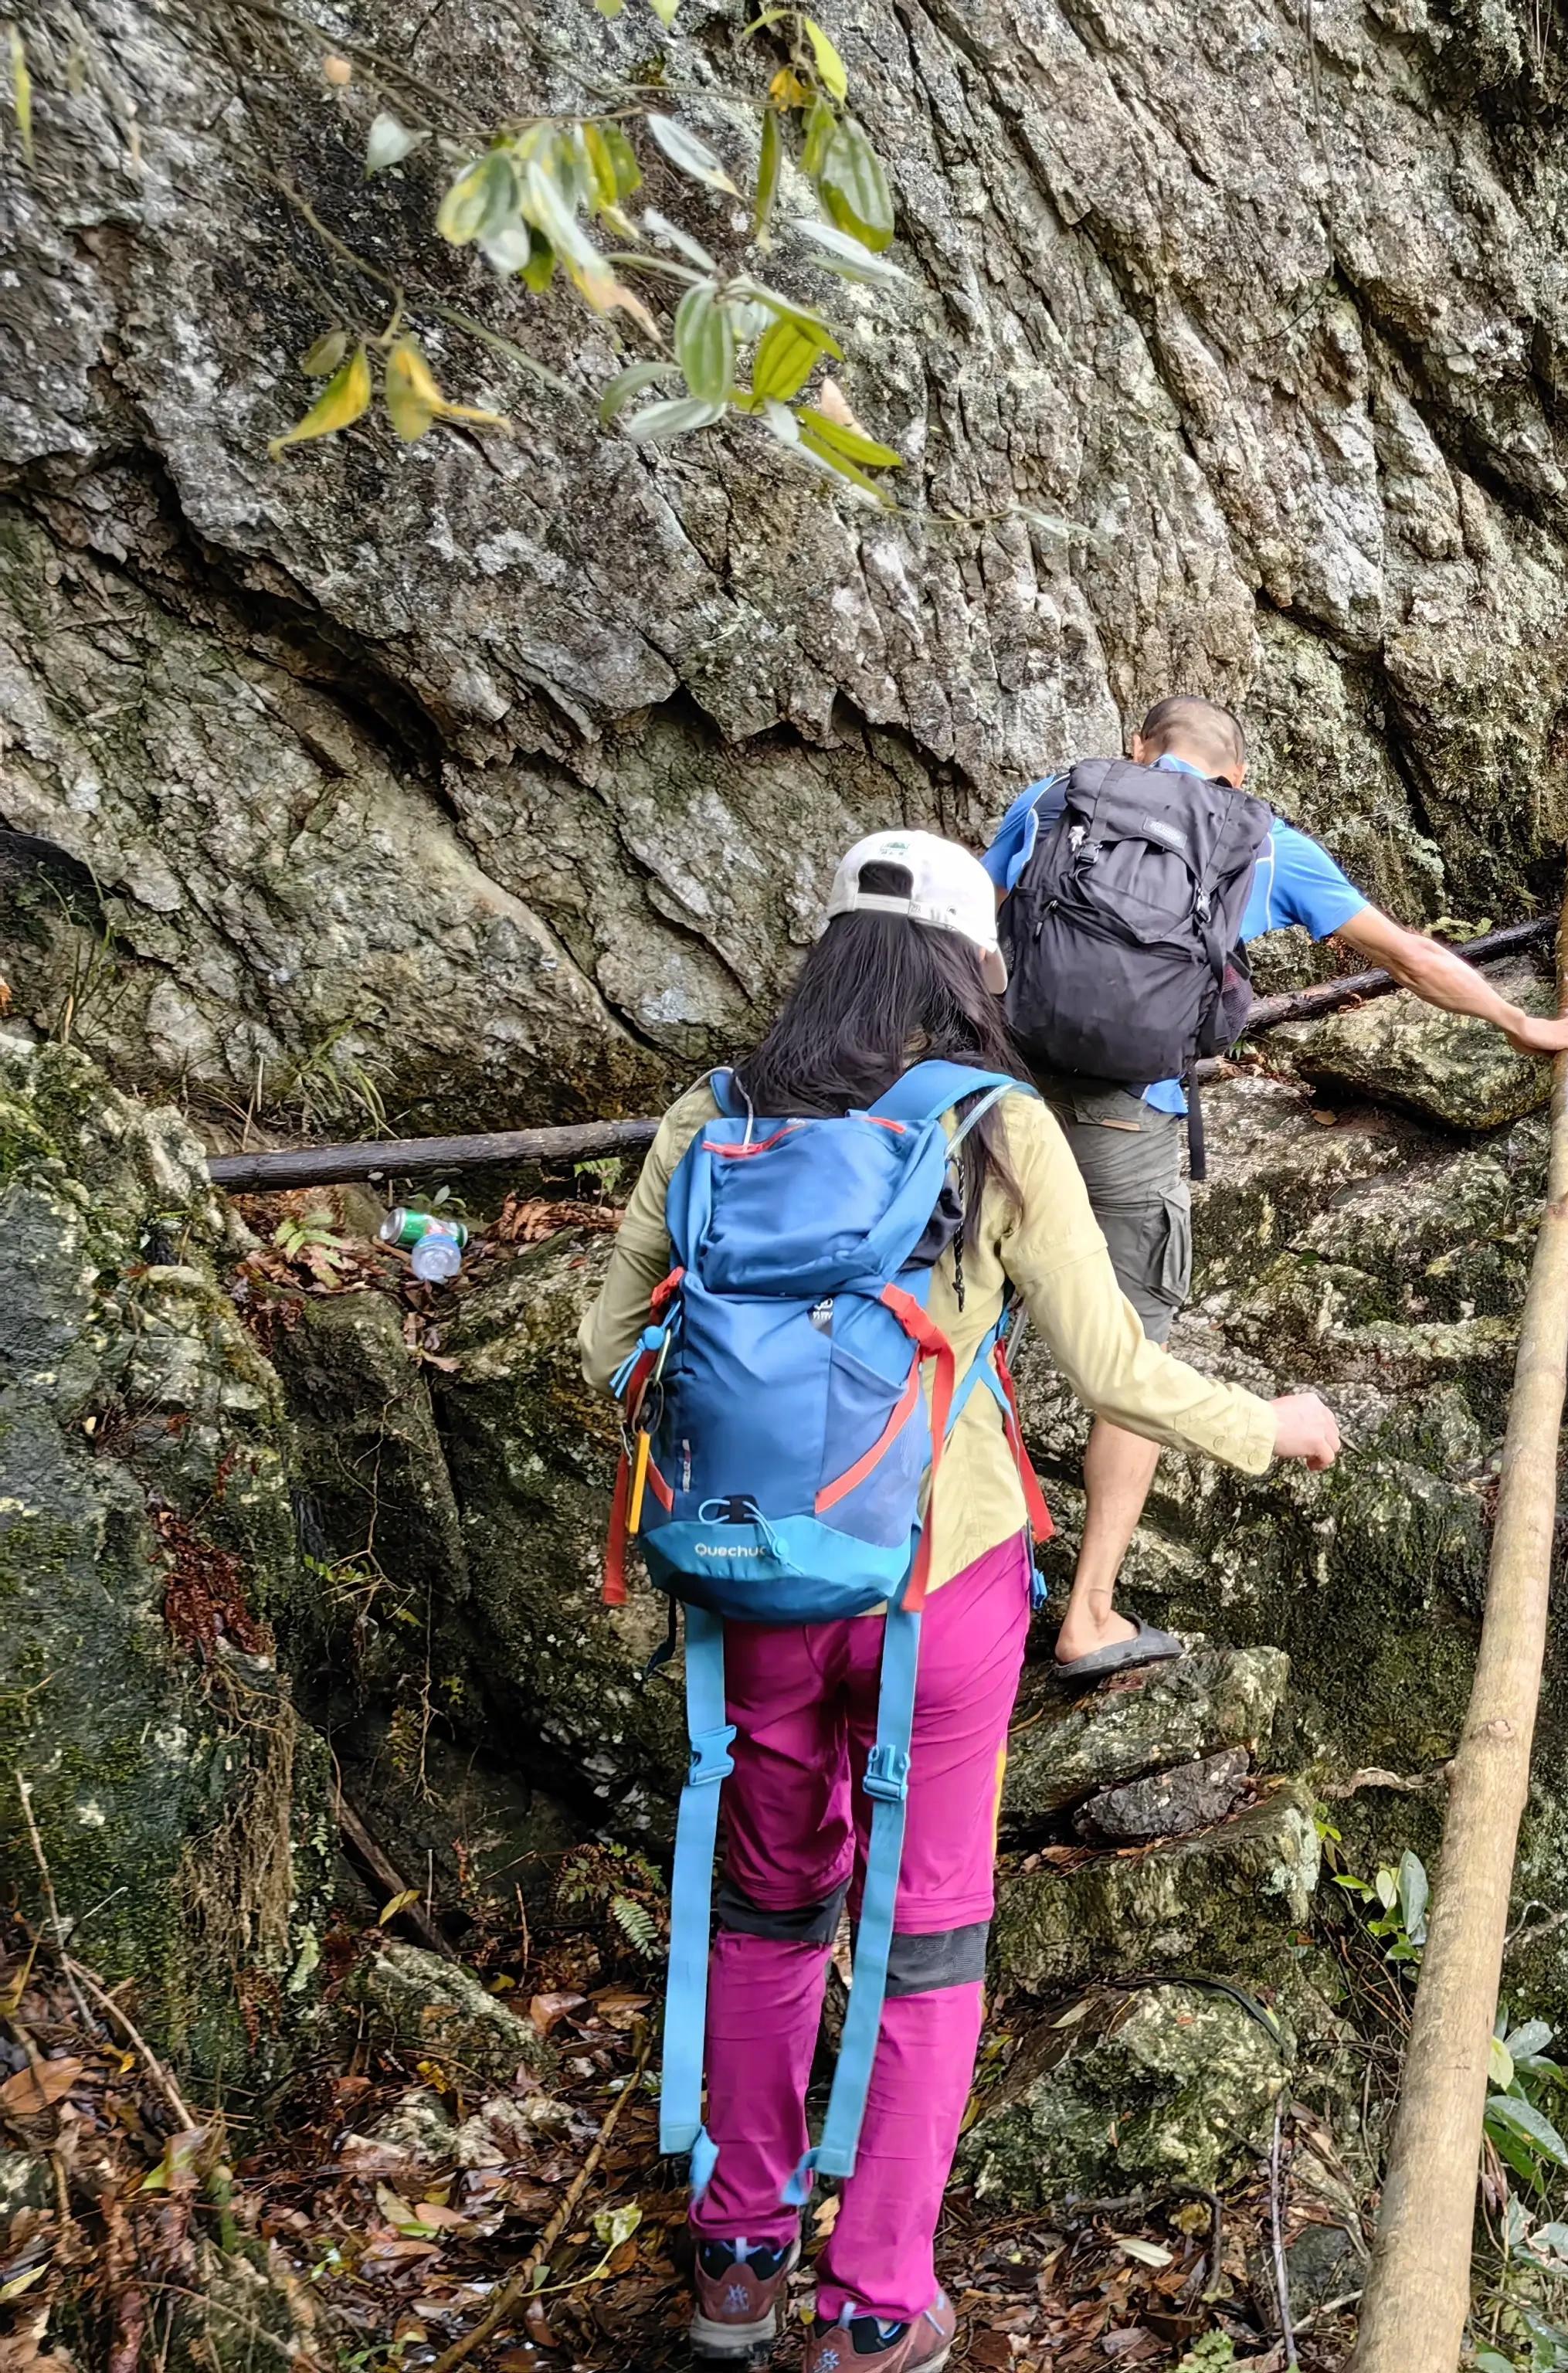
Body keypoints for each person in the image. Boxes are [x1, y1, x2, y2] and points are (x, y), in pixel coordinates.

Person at [580, 830, 1341, 2373]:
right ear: (972, 964)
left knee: (767, 1908)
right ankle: (874, 2306)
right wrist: (1270, 1426)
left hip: (754, 1589)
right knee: (924, 1933)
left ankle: (737, 2263)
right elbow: (1113, 1366)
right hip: (940, 1584)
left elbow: (607, 1349)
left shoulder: (710, 1116)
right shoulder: (993, 1125)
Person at [988, 692, 1568, 1681]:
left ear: (1139, 748)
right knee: (1133, 1352)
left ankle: (939, 1566)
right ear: (1237, 776)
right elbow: (1409, 957)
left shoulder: (1056, 802)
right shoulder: (1262, 843)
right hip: (1126, 1120)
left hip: (1001, 1097)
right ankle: (1088, 1613)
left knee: (970, 1310)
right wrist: (1525, 1026)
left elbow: (964, 936)